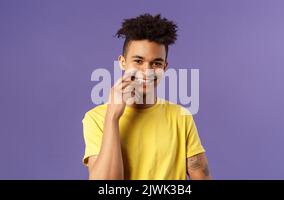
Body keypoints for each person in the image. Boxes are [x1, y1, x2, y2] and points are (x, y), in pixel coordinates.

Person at [82, 13, 211, 180]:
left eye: (156, 63)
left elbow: (201, 175)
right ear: (122, 62)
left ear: (164, 67)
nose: (147, 71)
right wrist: (112, 117)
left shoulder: (181, 117)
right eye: (138, 61)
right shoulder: (96, 118)